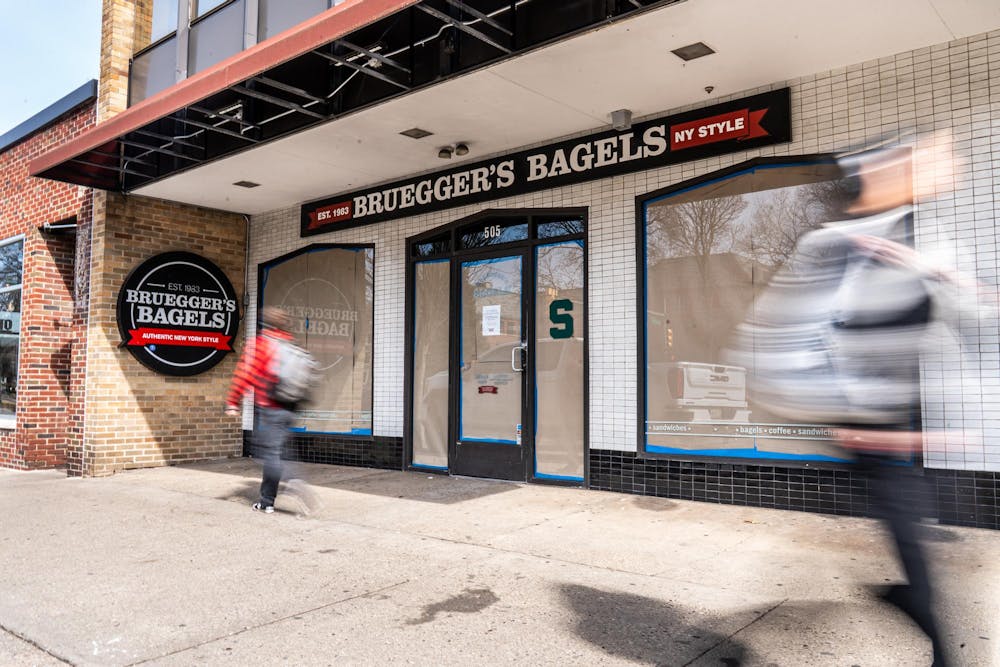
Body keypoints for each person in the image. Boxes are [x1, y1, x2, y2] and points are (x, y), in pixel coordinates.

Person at [727, 136, 981, 667]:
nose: (946, 165)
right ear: (882, 170)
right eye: (928, 156)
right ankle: (936, 639)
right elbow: (771, 347)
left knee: (906, 537)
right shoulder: (833, 246)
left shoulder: (919, 239)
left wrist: (946, 281)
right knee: (905, 536)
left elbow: (969, 331)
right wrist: (856, 418)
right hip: (867, 426)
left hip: (892, 429)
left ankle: (922, 618)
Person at [225, 305, 298, 514]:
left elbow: (245, 374)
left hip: (270, 407)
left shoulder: (261, 344)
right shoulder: (289, 343)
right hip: (290, 406)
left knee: (269, 454)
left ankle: (274, 497)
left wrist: (232, 401)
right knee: (278, 452)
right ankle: (278, 491)